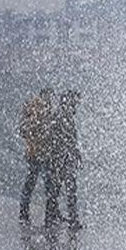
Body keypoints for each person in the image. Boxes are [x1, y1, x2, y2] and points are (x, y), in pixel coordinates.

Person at [18, 87, 58, 225]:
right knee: (45, 185)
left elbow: (23, 130)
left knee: (33, 183)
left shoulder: (39, 110)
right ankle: (48, 215)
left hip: (37, 153)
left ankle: (27, 213)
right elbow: (25, 130)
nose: (50, 101)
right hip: (39, 153)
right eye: (49, 97)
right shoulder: (38, 110)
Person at [48, 90, 82, 230]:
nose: (75, 106)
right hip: (62, 160)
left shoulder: (61, 116)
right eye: (74, 103)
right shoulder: (62, 117)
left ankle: (53, 216)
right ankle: (68, 219)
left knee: (58, 189)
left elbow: (67, 140)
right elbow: (58, 139)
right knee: (68, 190)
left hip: (62, 159)